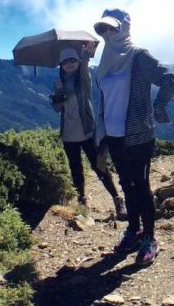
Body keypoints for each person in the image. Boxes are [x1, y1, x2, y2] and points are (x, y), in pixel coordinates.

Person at [93, 8, 174, 266]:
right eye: (102, 29)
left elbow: (169, 79)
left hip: (139, 135)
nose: (106, 33)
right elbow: (104, 100)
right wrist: (102, 139)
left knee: (141, 186)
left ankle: (150, 238)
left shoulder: (138, 57)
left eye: (111, 28)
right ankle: (133, 230)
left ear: (125, 28)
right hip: (114, 135)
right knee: (127, 184)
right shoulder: (105, 60)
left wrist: (158, 107)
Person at [50, 46, 127, 220]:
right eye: (65, 61)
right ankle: (82, 201)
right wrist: (59, 91)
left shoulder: (84, 79)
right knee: (75, 168)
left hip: (87, 131)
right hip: (69, 134)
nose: (69, 64)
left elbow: (84, 68)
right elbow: (56, 109)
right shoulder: (58, 82)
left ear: (77, 62)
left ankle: (117, 199)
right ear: (61, 65)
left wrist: (85, 55)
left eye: (72, 60)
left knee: (99, 166)